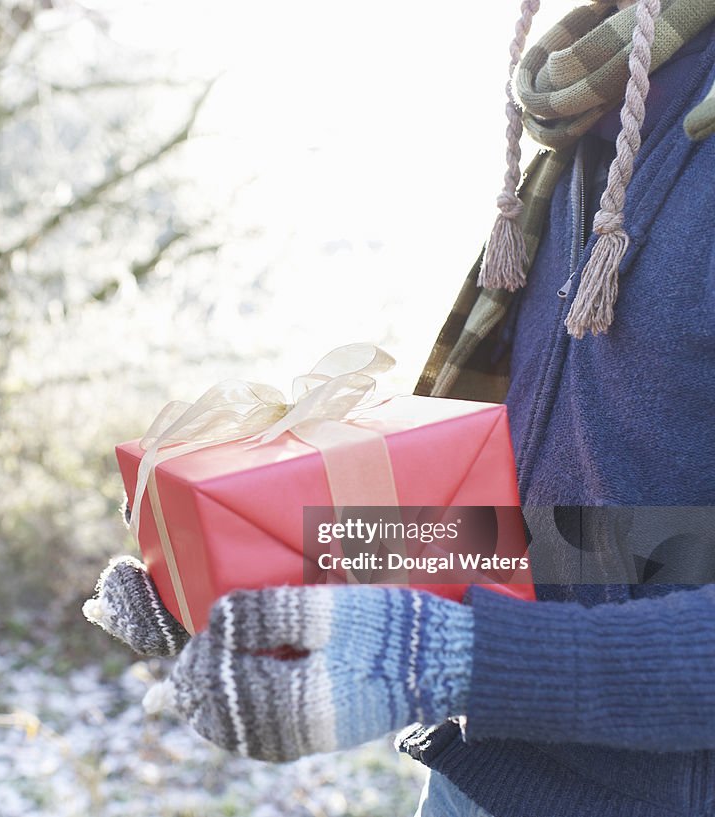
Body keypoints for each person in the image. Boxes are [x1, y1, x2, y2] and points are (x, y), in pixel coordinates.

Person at [84, 1, 715, 814]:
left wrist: (435, 658)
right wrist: (258, 586)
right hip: (480, 771)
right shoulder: (603, 91)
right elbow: (583, 529)